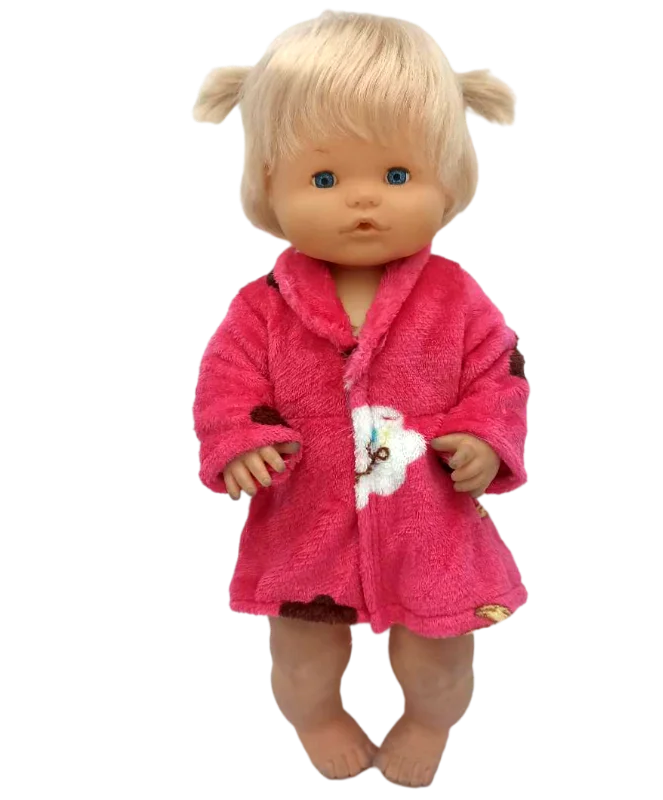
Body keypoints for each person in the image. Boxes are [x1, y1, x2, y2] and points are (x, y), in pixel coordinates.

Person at [190, 9, 528, 790]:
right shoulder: (264, 308)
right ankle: (316, 720)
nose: (364, 201)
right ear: (267, 186)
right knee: (303, 658)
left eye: (398, 176)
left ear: (449, 178)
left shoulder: (459, 300)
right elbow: (224, 388)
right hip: (304, 521)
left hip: (429, 520)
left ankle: (427, 723)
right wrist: (237, 443)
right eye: (325, 180)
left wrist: (485, 437)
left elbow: (500, 378)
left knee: (438, 657)